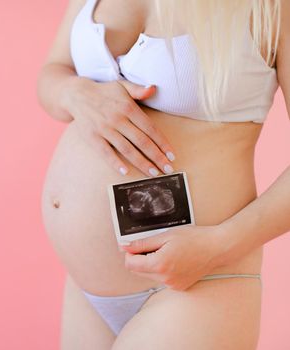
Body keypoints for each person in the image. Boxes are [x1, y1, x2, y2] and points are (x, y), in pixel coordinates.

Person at [36, 0, 289, 348]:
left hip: (196, 285)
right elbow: (55, 70)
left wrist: (219, 245)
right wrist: (75, 93)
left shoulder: (272, 8)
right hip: (87, 291)